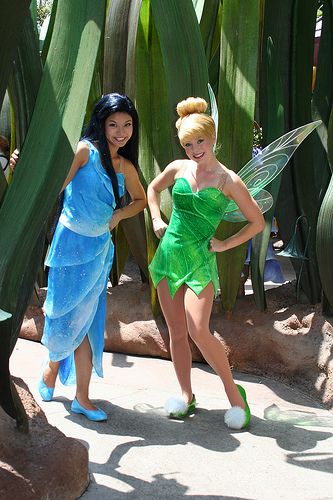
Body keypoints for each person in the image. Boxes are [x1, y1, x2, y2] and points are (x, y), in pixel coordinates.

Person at [15, 93, 146, 421]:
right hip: (69, 248)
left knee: (87, 323)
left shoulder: (125, 165)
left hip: (99, 252)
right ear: (101, 123)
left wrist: (119, 216)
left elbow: (140, 199)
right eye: (113, 124)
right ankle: (52, 369)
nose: (121, 131)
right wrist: (24, 167)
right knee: (64, 317)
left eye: (127, 124)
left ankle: (81, 398)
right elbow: (55, 184)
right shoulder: (84, 151)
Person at [147, 97, 265, 430]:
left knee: (199, 329)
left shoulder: (229, 181)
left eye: (200, 141)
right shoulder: (178, 168)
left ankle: (235, 395)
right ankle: (186, 395)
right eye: (188, 143)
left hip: (200, 259)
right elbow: (153, 190)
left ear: (211, 138)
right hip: (169, 255)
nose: (195, 148)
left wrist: (226, 243)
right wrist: (157, 218)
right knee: (176, 332)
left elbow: (257, 221)